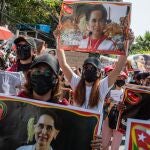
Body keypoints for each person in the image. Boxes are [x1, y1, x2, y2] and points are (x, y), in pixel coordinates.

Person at [102, 71, 127, 150]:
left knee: (116, 142)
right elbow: (101, 103)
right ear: (116, 78)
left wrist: (124, 106)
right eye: (120, 77)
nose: (121, 79)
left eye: (123, 78)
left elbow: (129, 107)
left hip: (120, 120)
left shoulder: (126, 92)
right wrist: (107, 101)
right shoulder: (108, 89)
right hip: (108, 117)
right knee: (104, 141)